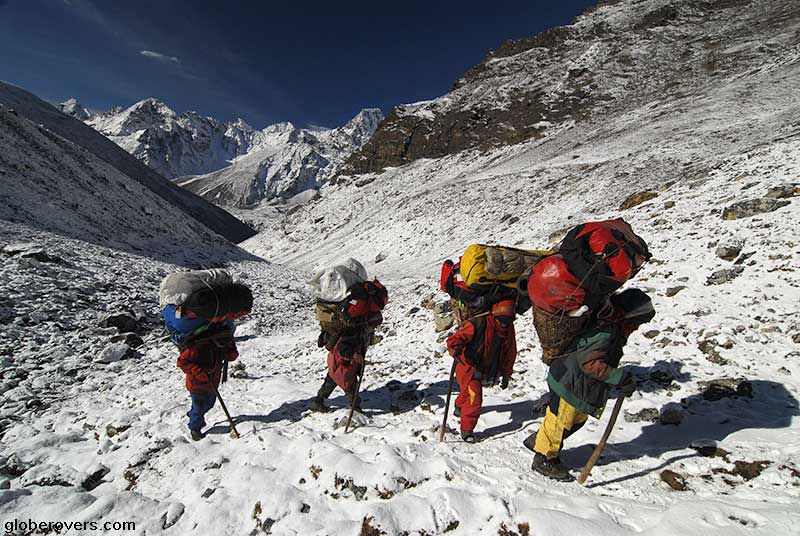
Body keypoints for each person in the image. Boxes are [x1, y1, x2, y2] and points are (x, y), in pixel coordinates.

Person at [523, 288, 655, 480]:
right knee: (560, 422)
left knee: (576, 420)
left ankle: (540, 440)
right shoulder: (606, 332)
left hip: (574, 382)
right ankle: (544, 458)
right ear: (630, 317)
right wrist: (619, 378)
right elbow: (590, 363)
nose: (636, 328)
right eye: (638, 322)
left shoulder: (611, 327)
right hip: (569, 383)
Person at [311, 279, 388, 413]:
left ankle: (318, 401)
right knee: (349, 382)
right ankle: (356, 408)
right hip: (345, 360)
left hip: (338, 357)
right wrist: (355, 356)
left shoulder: (356, 323)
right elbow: (344, 348)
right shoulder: (356, 328)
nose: (374, 327)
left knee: (333, 377)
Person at [446, 299, 517, 442]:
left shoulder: (508, 330)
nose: (504, 323)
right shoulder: (479, 322)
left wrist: (507, 374)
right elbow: (458, 337)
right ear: (494, 314)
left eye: (508, 320)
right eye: (502, 319)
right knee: (474, 397)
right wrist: (454, 346)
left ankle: (459, 407)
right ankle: (467, 430)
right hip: (468, 366)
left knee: (469, 392)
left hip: (484, 367)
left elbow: (510, 352)